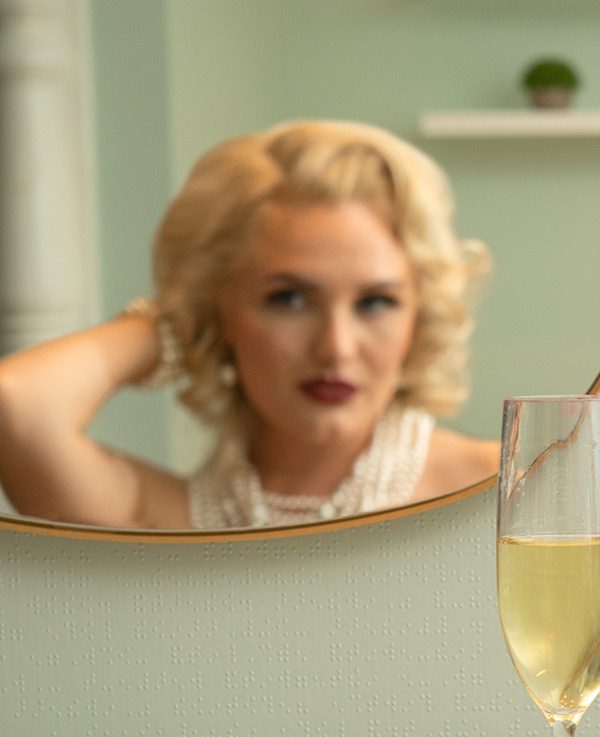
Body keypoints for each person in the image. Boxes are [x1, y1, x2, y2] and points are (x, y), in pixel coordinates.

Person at [0, 120, 496, 529]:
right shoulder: (159, 521)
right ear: (222, 309)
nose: (336, 348)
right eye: (290, 299)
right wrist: (184, 321)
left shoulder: (502, 488)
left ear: (419, 315)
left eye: (375, 302)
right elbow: (16, 403)